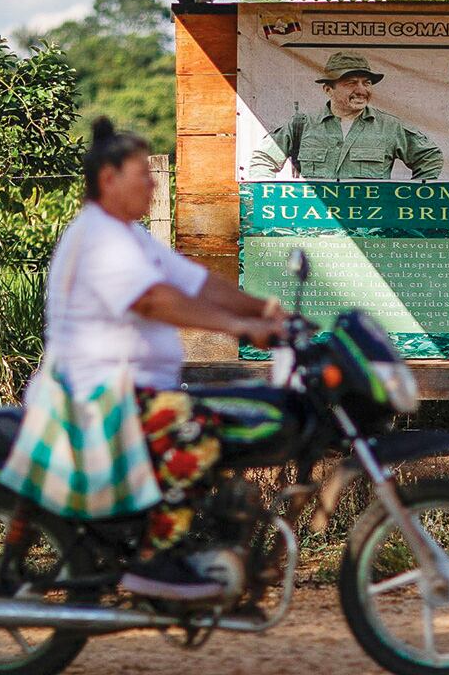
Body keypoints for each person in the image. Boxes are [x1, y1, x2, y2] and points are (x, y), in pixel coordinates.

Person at [45, 117, 286, 598]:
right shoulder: (100, 236)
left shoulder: (131, 237)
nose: (154, 183)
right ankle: (156, 561)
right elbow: (155, 300)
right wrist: (241, 327)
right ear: (109, 179)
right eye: (143, 174)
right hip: (97, 395)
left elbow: (197, 282)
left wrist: (271, 310)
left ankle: (189, 543)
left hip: (128, 391)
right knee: (196, 429)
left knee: (224, 418)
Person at [248, 51, 444, 180]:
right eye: (351, 83)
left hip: (371, 229)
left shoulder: (390, 127)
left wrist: (411, 199)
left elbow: (430, 157)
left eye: (366, 83)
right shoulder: (301, 125)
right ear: (328, 89)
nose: (361, 90)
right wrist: (271, 200)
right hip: (313, 227)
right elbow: (263, 160)